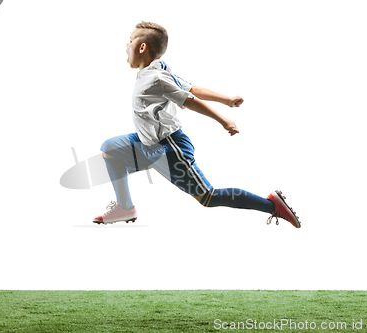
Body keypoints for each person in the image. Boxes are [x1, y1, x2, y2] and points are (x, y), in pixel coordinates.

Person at [93, 22, 301, 228]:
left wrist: (223, 120)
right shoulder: (157, 69)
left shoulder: (156, 78)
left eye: (130, 40)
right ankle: (125, 207)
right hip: (147, 142)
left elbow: (189, 100)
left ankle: (271, 204)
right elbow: (191, 88)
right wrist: (226, 100)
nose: (126, 45)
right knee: (110, 148)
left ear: (142, 47)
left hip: (170, 148)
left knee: (208, 198)